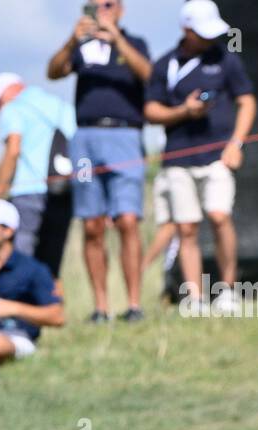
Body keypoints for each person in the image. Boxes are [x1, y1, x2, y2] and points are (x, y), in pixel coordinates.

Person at [144, 1, 256, 315]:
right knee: (187, 227)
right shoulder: (165, 63)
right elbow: (151, 110)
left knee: (219, 216)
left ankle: (229, 291)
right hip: (178, 158)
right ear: (186, 29)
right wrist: (184, 111)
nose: (210, 39)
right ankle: (195, 298)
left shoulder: (226, 59)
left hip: (217, 155)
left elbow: (246, 101)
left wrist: (236, 143)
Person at [47, 0, 151, 322]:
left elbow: (149, 75)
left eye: (106, 4)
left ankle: (133, 304)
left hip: (125, 137)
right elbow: (53, 71)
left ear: (120, 8)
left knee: (128, 220)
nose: (100, 11)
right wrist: (71, 39)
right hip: (85, 139)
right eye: (93, 5)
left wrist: (115, 37)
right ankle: (101, 307)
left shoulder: (135, 43)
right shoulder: (82, 46)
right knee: (91, 223)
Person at [0, 71, 77, 280]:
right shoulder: (61, 106)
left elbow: (13, 150)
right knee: (52, 267)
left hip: (27, 195)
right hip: (63, 193)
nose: (0, 110)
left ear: (7, 92)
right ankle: (53, 310)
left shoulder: (14, 109)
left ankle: (19, 311)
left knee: (21, 262)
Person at [0, 199, 66, 365]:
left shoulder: (33, 269)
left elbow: (57, 316)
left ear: (8, 231)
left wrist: (13, 309)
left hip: (17, 337)